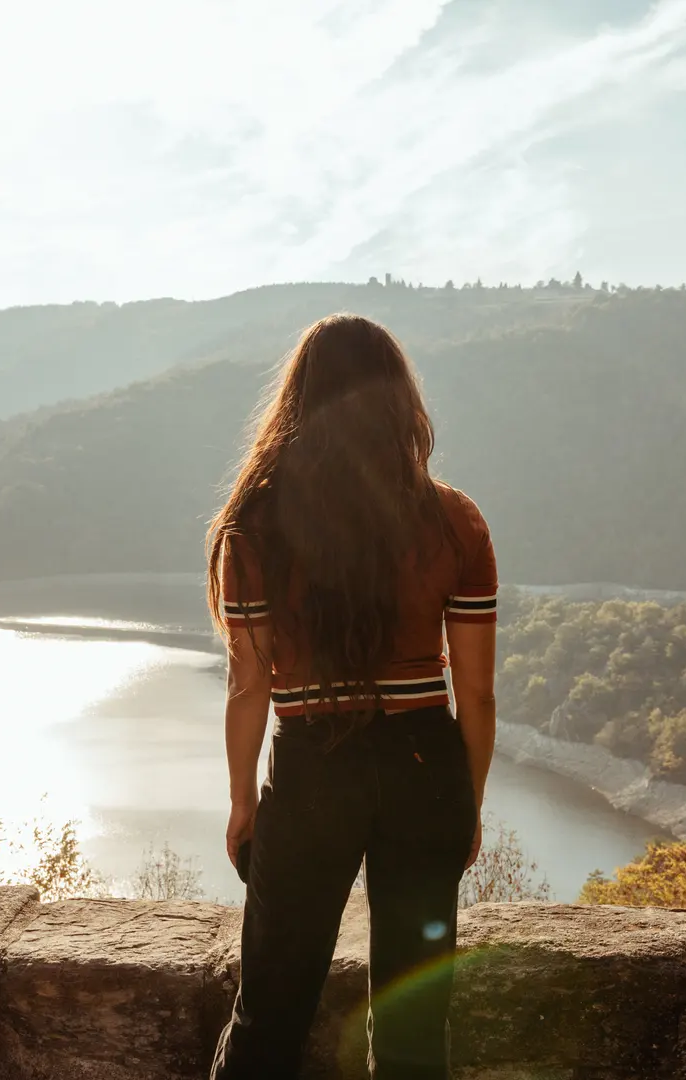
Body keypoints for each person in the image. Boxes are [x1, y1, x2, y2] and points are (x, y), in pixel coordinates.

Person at [205, 314, 498, 1080]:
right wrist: (466, 798)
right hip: (424, 766)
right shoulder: (456, 523)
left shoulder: (253, 531)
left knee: (267, 1016)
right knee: (410, 1036)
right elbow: (476, 693)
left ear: (296, 402)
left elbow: (249, 688)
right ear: (402, 404)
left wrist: (243, 803)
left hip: (310, 774)